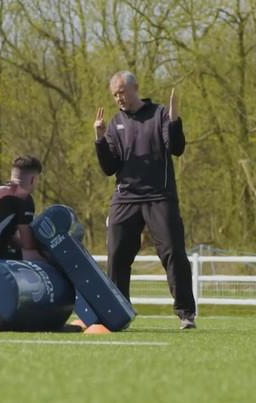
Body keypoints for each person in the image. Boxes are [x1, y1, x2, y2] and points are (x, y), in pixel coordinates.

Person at [94, 71, 197, 329]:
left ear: (135, 88)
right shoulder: (116, 123)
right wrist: (100, 139)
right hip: (125, 197)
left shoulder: (159, 114)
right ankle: (118, 313)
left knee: (173, 252)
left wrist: (174, 120)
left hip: (159, 196)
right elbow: (109, 168)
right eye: (114, 95)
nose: (118, 98)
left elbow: (177, 148)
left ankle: (186, 314)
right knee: (117, 254)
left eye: (121, 92)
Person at [0, 155, 43, 261]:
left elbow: (9, 237)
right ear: (33, 179)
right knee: (41, 256)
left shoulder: (0, 189)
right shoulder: (24, 198)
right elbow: (28, 245)